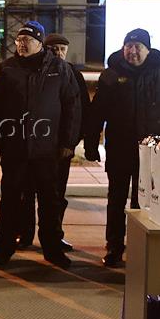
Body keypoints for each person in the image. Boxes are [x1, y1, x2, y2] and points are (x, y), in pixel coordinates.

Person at [86, 28, 160, 267]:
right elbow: (97, 112)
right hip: (119, 148)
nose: (132, 51)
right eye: (128, 46)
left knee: (145, 201)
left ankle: (140, 247)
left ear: (147, 50)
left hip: (151, 151)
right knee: (116, 199)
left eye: (138, 46)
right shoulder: (111, 75)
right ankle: (114, 247)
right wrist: (91, 143)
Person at [0, 21, 80, 268]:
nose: (21, 44)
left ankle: (53, 249)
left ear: (40, 43)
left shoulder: (59, 68)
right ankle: (3, 249)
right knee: (10, 201)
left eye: (27, 40)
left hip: (46, 150)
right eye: (19, 40)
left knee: (49, 202)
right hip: (15, 148)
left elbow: (72, 106)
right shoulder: (7, 69)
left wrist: (68, 142)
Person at [43, 33, 94, 252]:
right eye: (53, 48)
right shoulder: (38, 70)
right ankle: (24, 234)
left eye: (62, 49)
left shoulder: (74, 74)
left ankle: (55, 235)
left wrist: (73, 141)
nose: (58, 52)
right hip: (38, 144)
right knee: (28, 192)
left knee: (57, 194)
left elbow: (82, 110)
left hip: (62, 146)